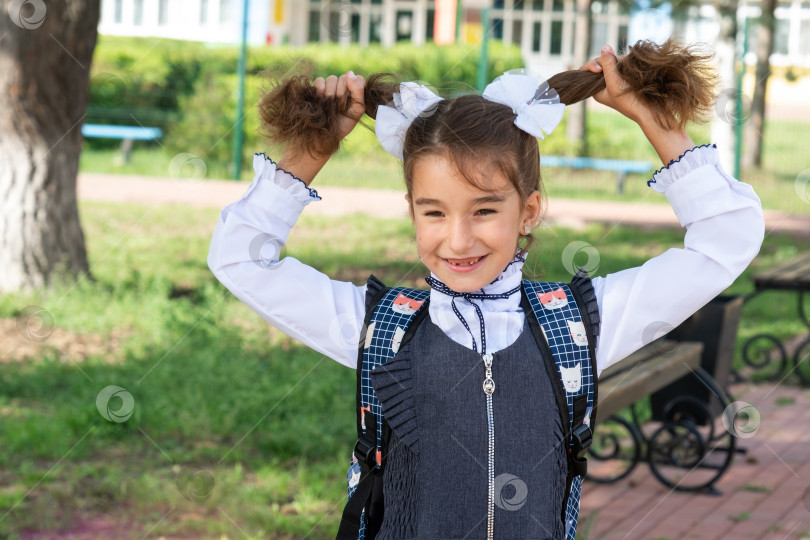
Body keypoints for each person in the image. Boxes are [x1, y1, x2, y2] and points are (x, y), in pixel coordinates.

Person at [207, 41, 764, 539]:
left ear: (529, 211)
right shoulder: (379, 328)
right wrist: (310, 154)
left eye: (484, 209)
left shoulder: (580, 326)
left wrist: (657, 123)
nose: (457, 238)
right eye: (434, 211)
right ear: (411, 212)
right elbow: (240, 258)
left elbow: (725, 240)